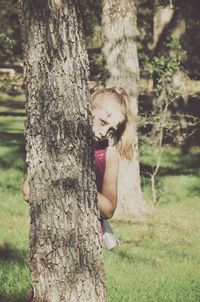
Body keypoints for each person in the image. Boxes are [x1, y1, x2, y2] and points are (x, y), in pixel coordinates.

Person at [23, 86, 133, 301]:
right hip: (50, 237)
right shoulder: (57, 140)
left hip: (84, 247)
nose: (104, 132)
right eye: (102, 122)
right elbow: (28, 192)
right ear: (86, 108)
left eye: (112, 129)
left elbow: (109, 209)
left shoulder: (108, 155)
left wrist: (79, 179)